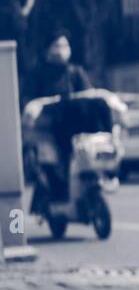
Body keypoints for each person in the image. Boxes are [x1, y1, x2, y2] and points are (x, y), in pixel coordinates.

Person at [24, 33, 94, 198]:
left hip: (74, 126)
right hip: (48, 128)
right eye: (57, 45)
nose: (62, 50)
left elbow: (89, 95)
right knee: (52, 163)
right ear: (48, 50)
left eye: (65, 45)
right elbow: (28, 99)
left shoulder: (76, 72)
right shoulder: (38, 73)